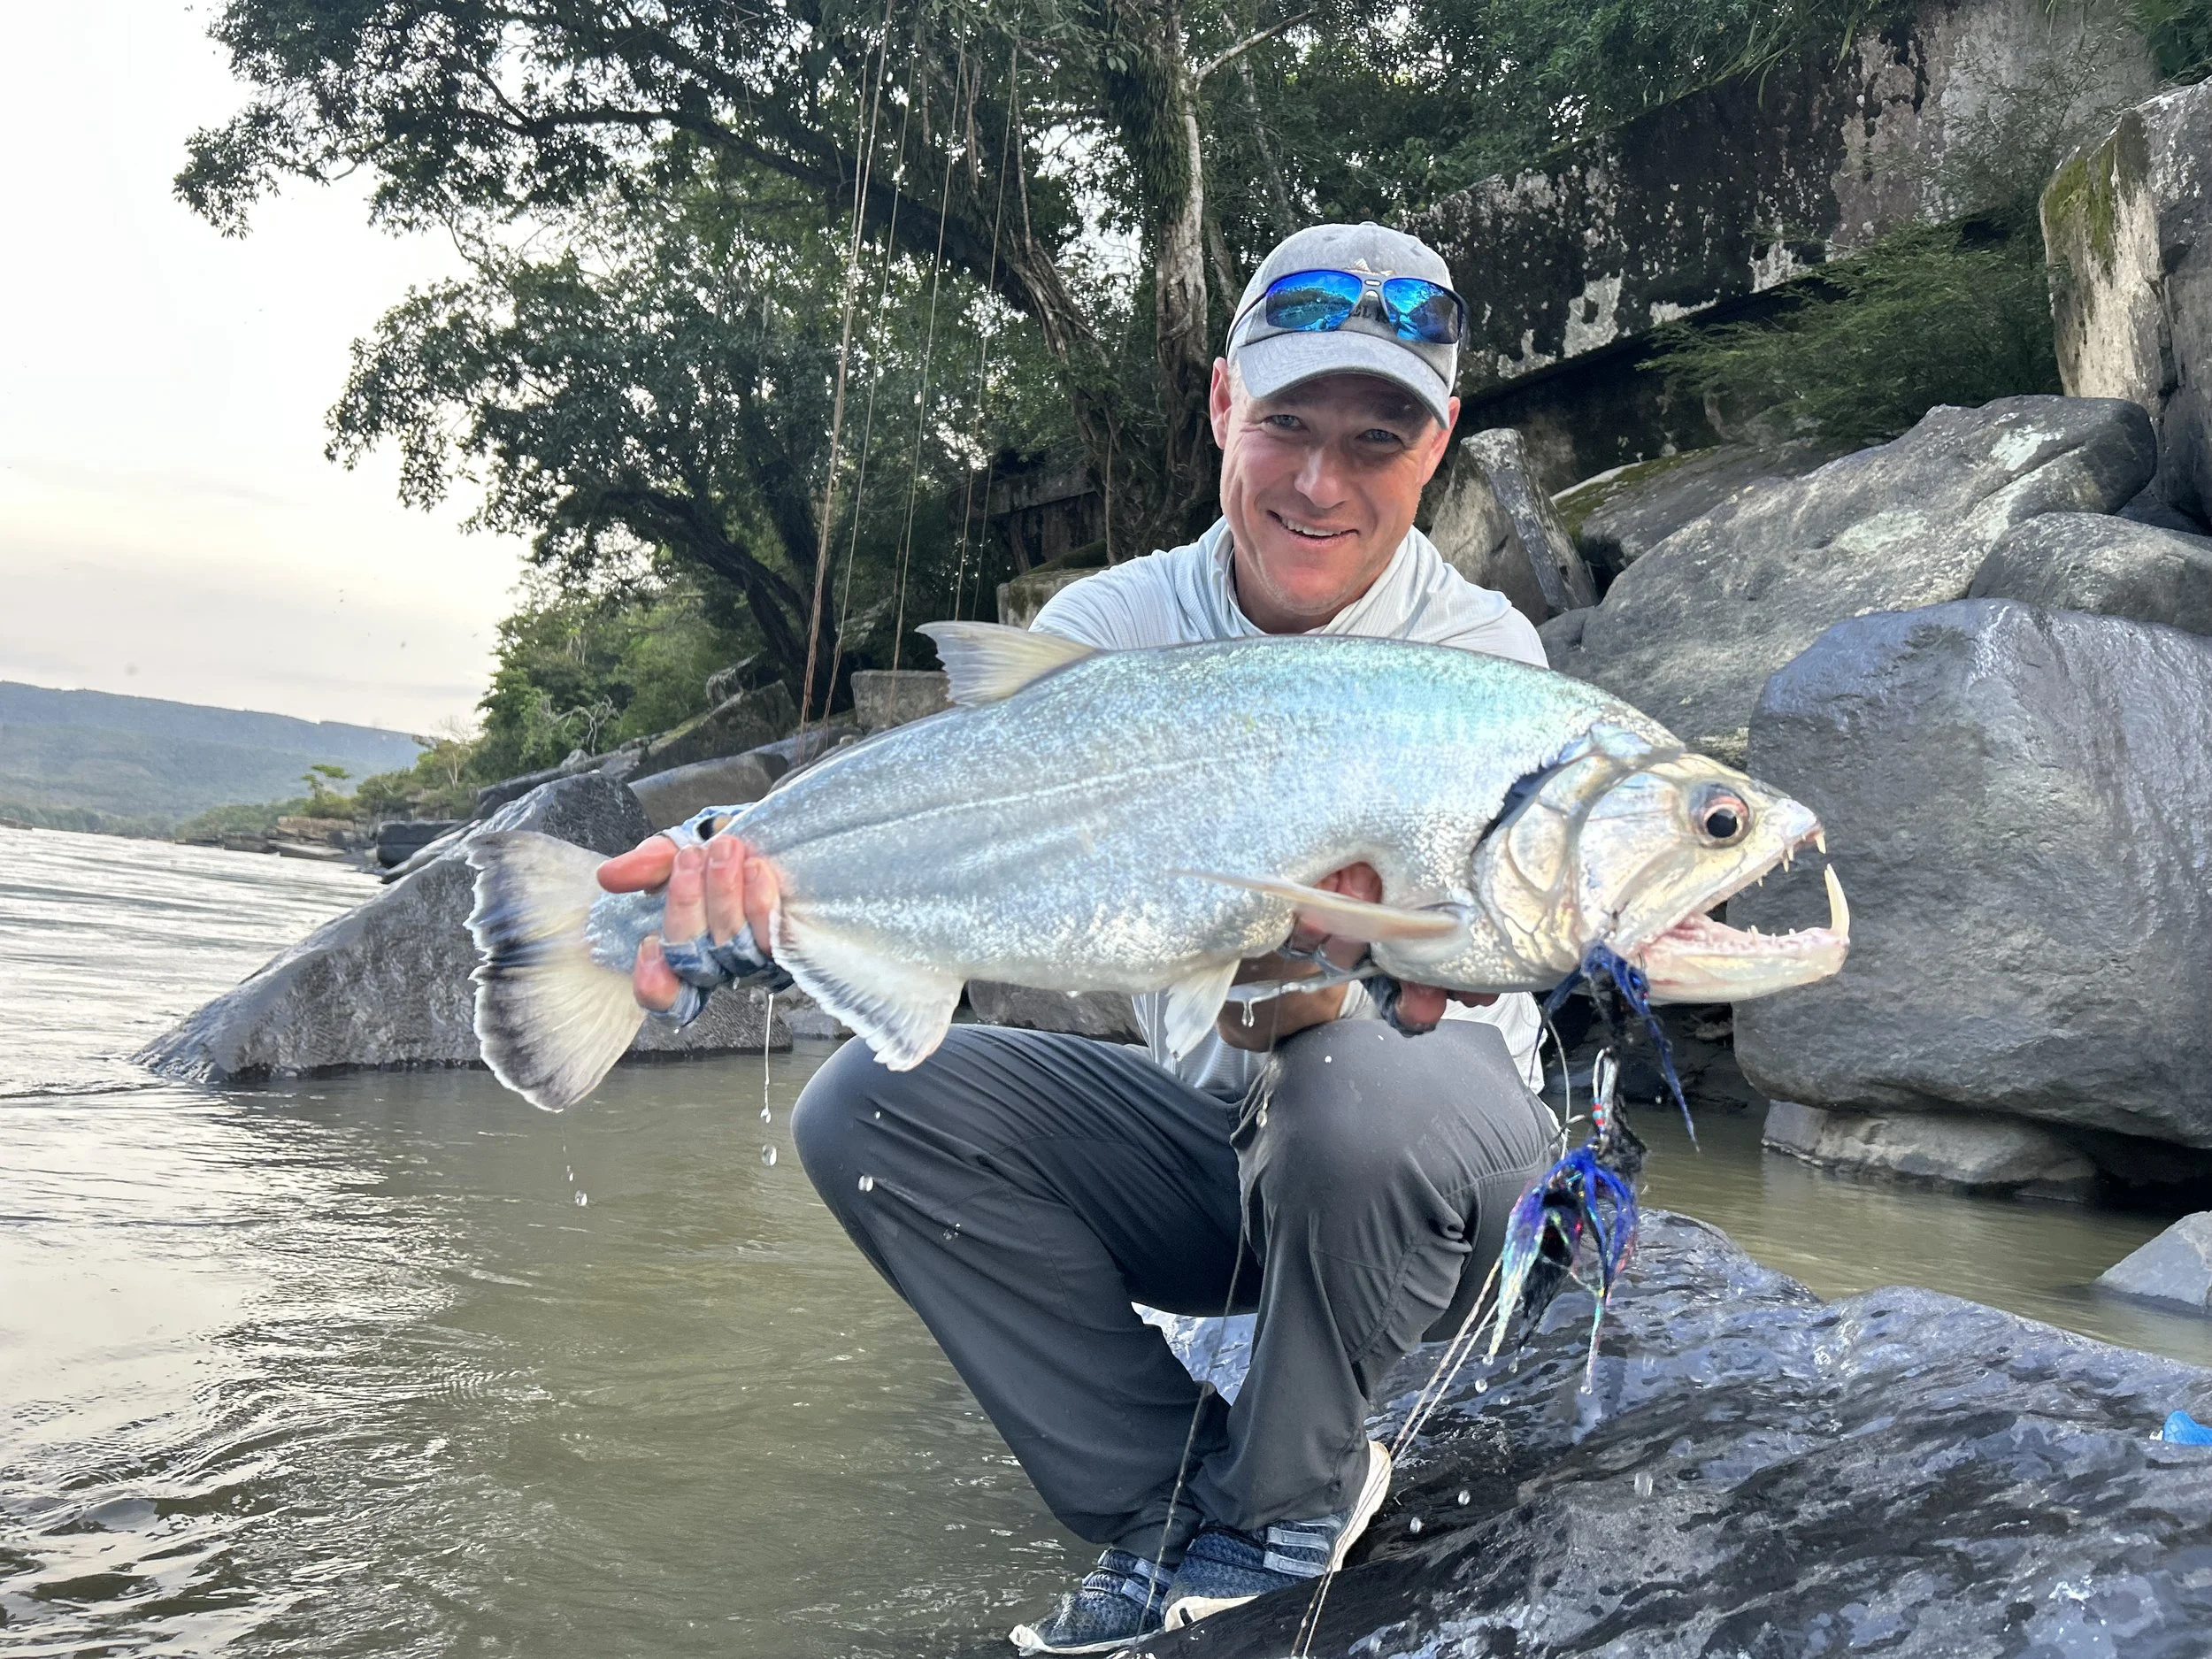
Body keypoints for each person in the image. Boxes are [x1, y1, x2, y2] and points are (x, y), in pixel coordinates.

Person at [597, 221, 1561, 1654]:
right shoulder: (1110, 626)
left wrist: (1317, 962)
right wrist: (732, 872)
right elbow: (948, 822)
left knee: (1354, 1081)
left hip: (1426, 1185)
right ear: (1223, 405)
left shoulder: (1480, 668)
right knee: (864, 1107)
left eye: (1378, 438)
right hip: (1213, 1154)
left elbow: (1371, 1029)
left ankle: (1288, 1504)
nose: (1321, 480)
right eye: (1288, 424)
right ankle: (1169, 1502)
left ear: (1440, 446)